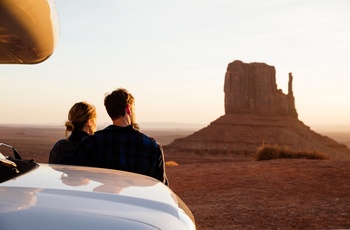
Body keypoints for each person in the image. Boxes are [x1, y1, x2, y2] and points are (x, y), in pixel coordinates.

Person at [60, 88, 168, 185]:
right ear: (128, 109)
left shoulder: (92, 142)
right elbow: (162, 188)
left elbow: (63, 166)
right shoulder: (152, 147)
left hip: (102, 204)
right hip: (138, 206)